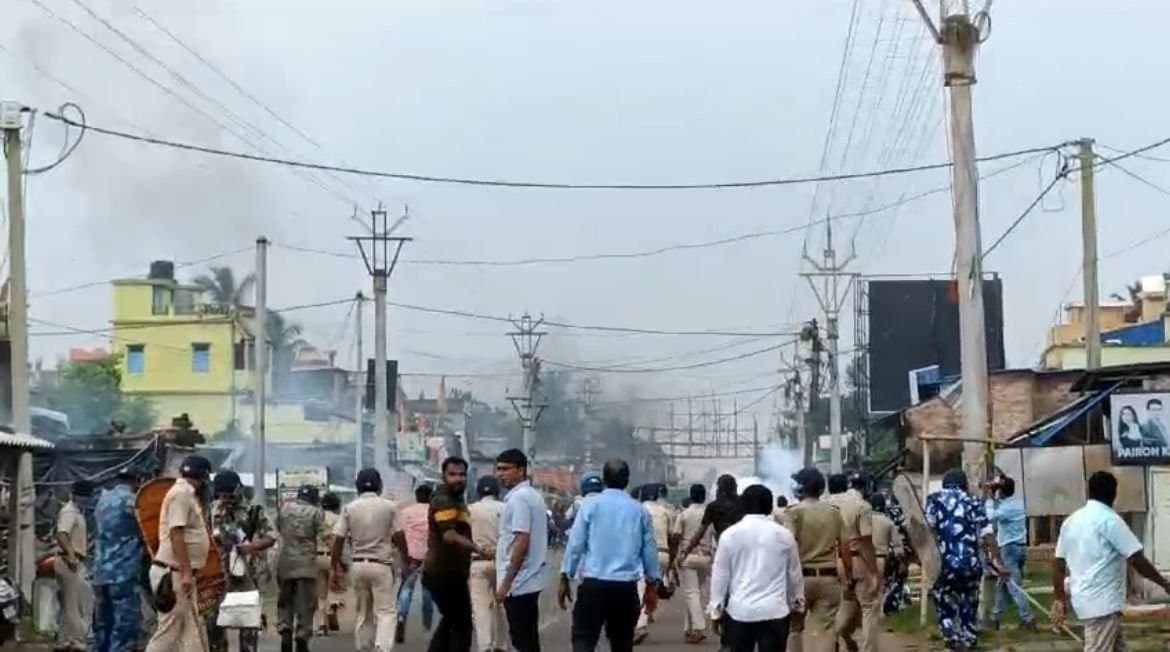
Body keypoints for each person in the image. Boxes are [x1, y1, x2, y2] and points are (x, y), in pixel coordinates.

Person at [1052, 471, 1170, 651]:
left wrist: (1060, 599)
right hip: (1103, 605)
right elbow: (1136, 559)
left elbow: (1058, 564)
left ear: (1088, 491)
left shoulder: (1071, 522)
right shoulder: (1110, 521)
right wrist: (1163, 583)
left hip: (1085, 601)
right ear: (1114, 493)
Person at [559, 458, 660, 652]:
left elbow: (576, 544)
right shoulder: (639, 511)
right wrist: (652, 586)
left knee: (584, 640)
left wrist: (566, 575)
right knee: (622, 643)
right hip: (625, 589)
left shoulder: (590, 506)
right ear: (627, 481)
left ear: (604, 479)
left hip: (593, 586)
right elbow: (649, 551)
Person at [708, 484, 804, 651]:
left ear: (743, 505)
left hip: (740, 612)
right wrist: (798, 604)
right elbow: (794, 574)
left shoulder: (729, 535)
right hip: (775, 611)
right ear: (770, 505)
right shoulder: (784, 535)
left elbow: (720, 575)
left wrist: (716, 610)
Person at [925, 469, 1006, 652]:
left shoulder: (934, 501)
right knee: (968, 603)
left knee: (944, 602)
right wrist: (999, 563)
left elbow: (925, 533)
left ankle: (952, 638)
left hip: (944, 567)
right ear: (963, 484)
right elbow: (987, 535)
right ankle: (968, 638)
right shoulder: (974, 501)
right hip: (971, 566)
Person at [332, 468, 409, 652]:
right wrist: (406, 559)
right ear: (380, 486)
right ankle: (382, 648)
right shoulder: (390, 507)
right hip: (381, 565)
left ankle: (364, 647)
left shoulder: (349, 508)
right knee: (385, 612)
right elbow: (399, 536)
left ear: (357, 486)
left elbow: (338, 538)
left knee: (363, 612)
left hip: (358, 565)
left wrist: (335, 565)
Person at [145, 455, 213, 652]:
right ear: (203, 477)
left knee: (192, 633)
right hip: (173, 574)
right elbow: (177, 534)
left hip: (180, 573)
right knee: (169, 631)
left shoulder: (186, 493)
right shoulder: (181, 494)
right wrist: (185, 573)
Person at [780, 467, 852, 652]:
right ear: (821, 488)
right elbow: (845, 547)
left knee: (793, 629)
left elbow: (788, 545)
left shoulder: (793, 513)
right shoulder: (834, 513)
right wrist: (848, 577)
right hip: (829, 578)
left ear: (800, 488)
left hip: (800, 580)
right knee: (826, 630)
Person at [424, 456, 490, 652]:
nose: (458, 479)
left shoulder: (456, 498)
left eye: (462, 474)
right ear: (444, 476)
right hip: (442, 573)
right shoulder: (444, 499)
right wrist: (476, 548)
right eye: (452, 474)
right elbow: (449, 535)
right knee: (461, 624)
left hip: (451, 572)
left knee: (452, 620)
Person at [208, 470, 276, 652]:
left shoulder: (254, 510)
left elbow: (271, 537)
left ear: (238, 490)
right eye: (222, 494)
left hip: (246, 574)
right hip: (217, 574)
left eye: (229, 493)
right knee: (214, 621)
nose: (226, 497)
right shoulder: (211, 510)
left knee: (247, 621)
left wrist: (251, 547)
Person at [494, 449, 549, 652]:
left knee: (522, 641)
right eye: (498, 469)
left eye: (506, 469)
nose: (501, 474)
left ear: (521, 470)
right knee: (527, 640)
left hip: (519, 583)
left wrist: (505, 584)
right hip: (527, 580)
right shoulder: (530, 496)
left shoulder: (519, 499)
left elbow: (522, 541)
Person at [828, 472, 880, 652]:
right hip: (856, 559)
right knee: (869, 608)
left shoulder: (829, 503)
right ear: (865, 488)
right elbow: (865, 541)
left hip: (832, 562)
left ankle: (832, 639)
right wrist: (873, 572)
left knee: (842, 605)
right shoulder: (862, 506)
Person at [93, 469, 144, 652]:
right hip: (123, 572)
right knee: (124, 625)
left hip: (100, 572)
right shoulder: (132, 501)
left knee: (102, 623)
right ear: (137, 481)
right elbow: (146, 530)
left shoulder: (102, 500)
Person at [983, 475, 1035, 632]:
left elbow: (990, 516)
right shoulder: (1018, 503)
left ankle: (1028, 618)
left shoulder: (1005, 508)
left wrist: (990, 497)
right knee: (1004, 585)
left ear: (1001, 491)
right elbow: (1000, 508)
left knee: (1014, 587)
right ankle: (995, 617)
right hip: (1020, 547)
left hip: (1009, 549)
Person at [277, 485, 325, 652]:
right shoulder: (316, 512)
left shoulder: (284, 509)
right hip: (306, 564)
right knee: (306, 603)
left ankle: (285, 631)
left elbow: (279, 529)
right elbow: (323, 534)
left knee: (285, 601)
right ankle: (302, 636)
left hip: (284, 563)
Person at [468, 476, 506, 652]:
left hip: (477, 562)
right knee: (502, 605)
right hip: (501, 563)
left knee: (480, 607)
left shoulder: (470, 510)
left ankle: (485, 646)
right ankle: (501, 645)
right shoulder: (506, 509)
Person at [55, 479, 94, 652]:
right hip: (69, 561)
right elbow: (62, 534)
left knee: (70, 603)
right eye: (83, 497)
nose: (86, 500)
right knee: (76, 604)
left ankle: (63, 641)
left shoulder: (77, 511)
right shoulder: (69, 512)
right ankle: (78, 642)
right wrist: (71, 556)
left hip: (73, 560)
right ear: (75, 495)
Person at [634, 483, 674, 645]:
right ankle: (647, 614)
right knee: (652, 588)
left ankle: (640, 625)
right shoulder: (666, 511)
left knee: (641, 589)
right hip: (664, 554)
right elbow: (672, 536)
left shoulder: (639, 510)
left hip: (646, 555)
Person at [671, 484, 711, 644]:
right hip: (706, 557)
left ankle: (699, 627)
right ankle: (689, 630)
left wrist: (676, 554)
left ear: (691, 496)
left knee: (691, 593)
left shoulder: (684, 514)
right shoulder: (709, 513)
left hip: (688, 557)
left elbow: (675, 536)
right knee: (696, 593)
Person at [397, 484, 436, 643]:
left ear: (416, 496)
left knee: (406, 590)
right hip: (429, 557)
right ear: (430, 497)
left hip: (410, 557)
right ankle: (426, 627)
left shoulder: (405, 513)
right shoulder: (434, 513)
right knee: (427, 593)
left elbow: (398, 533)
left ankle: (401, 617)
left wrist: (405, 555)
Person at [679, 474, 744, 563]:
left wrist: (687, 551)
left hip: (724, 547)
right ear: (735, 487)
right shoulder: (743, 503)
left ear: (719, 489)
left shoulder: (713, 507)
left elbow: (700, 533)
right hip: (742, 547)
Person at [865, 494, 903, 625]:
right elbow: (898, 547)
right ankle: (877, 616)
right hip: (880, 559)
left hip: (863, 559)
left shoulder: (864, 520)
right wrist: (900, 560)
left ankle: (864, 616)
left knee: (864, 589)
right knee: (879, 589)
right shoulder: (888, 522)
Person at [315, 492, 345, 635]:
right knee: (336, 587)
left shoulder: (317, 518)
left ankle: (321, 625)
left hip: (316, 557)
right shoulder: (339, 519)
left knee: (320, 593)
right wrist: (342, 561)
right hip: (332, 557)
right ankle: (332, 605)